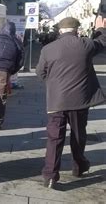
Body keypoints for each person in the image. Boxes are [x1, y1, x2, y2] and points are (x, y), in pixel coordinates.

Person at [36, 16, 106, 189]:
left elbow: (40, 73)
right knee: (78, 136)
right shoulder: (86, 44)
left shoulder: (48, 49)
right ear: (77, 30)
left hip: (56, 102)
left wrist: (53, 84)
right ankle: (79, 166)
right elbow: (102, 42)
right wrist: (101, 29)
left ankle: (50, 175)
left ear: (60, 31)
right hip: (80, 101)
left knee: (54, 138)